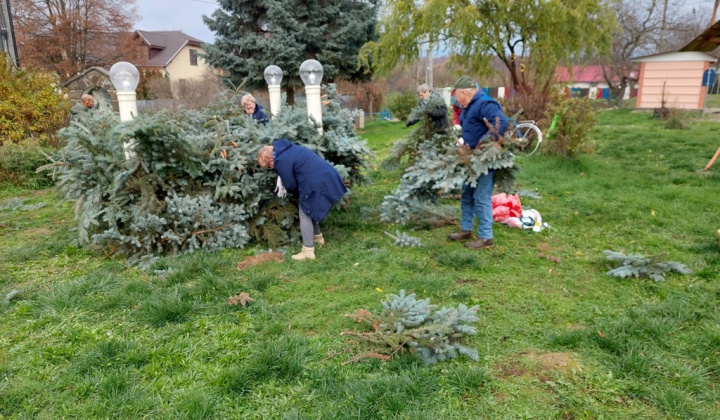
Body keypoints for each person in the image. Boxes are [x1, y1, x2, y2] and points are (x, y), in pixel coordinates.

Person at [257, 140, 347, 261]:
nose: (271, 168)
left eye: (269, 166)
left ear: (271, 160)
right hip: (325, 175)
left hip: (315, 182)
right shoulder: (287, 149)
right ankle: (318, 238)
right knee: (310, 208)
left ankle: (308, 251)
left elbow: (291, 185)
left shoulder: (280, 161)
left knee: (305, 213)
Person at [448, 76, 509, 250]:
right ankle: (466, 228)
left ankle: (486, 237)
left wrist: (485, 144)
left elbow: (502, 122)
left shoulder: (485, 103)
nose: (455, 99)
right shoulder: (468, 107)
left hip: (483, 160)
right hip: (470, 160)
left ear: (462, 92)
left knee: (481, 196)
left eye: (455, 95)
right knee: (467, 194)